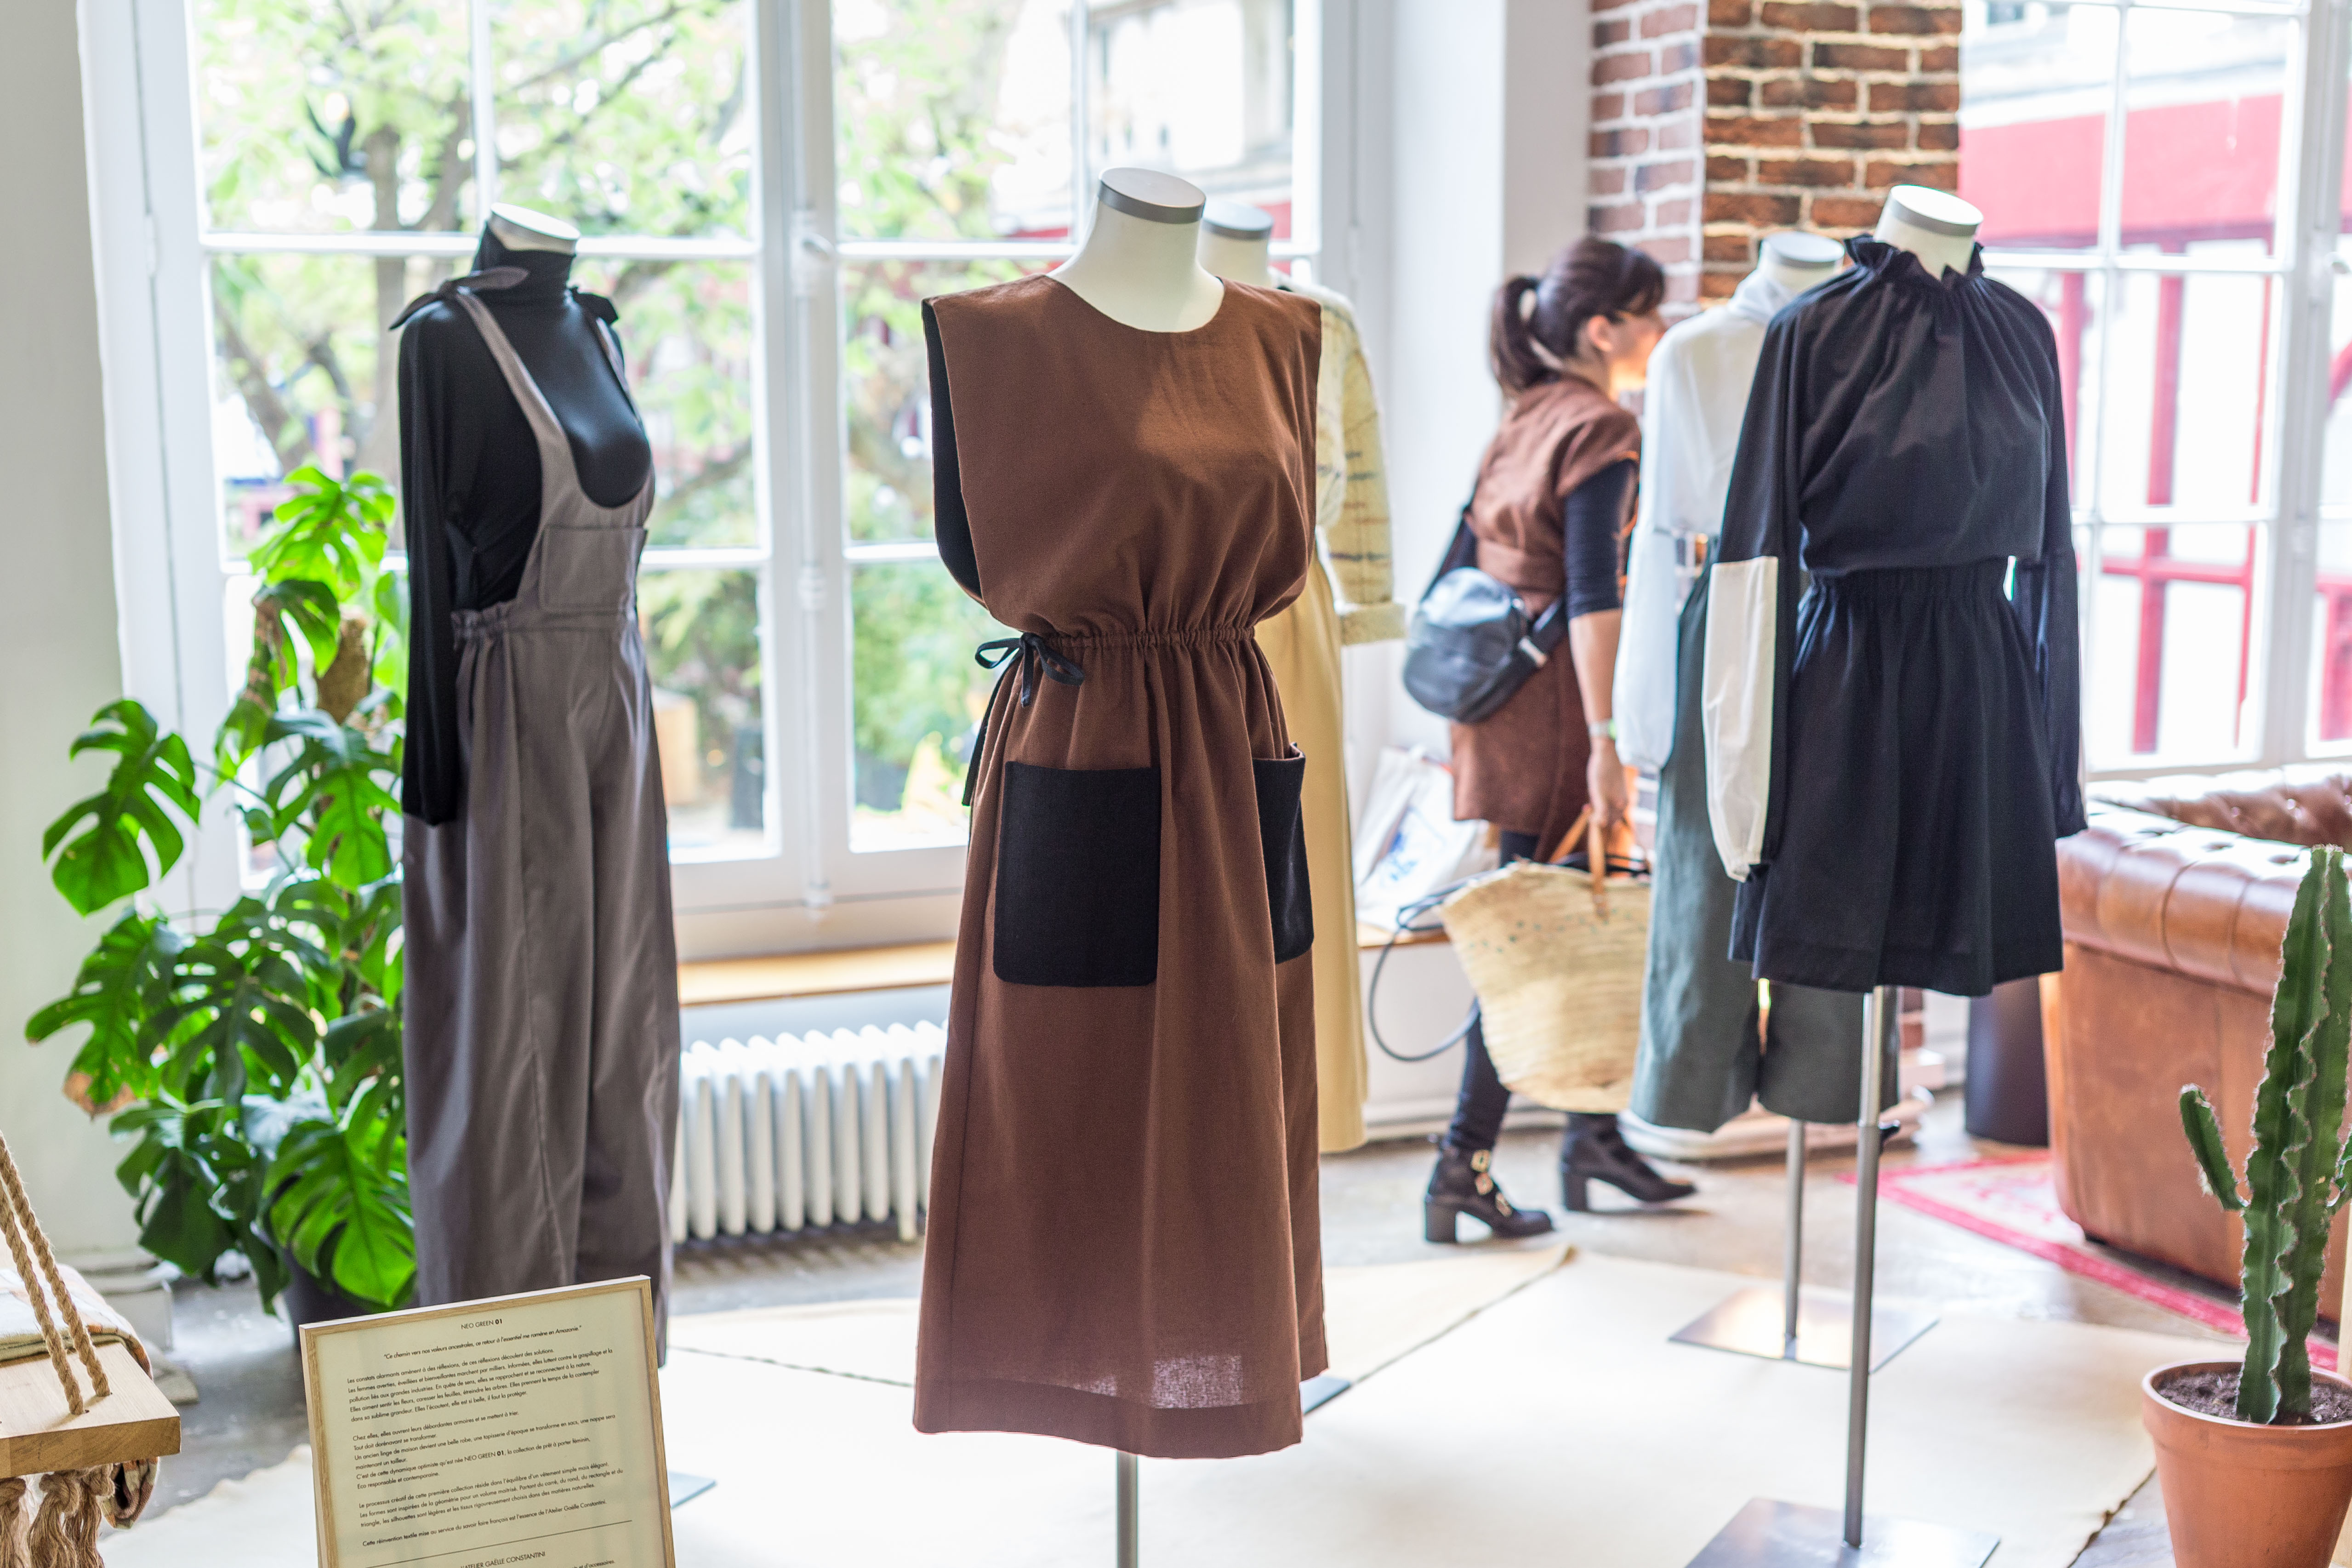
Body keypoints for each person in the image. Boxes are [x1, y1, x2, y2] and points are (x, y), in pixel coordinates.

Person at [1424, 236, 1694, 1243]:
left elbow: (1458, 556)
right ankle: (1461, 1163)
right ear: (1604, 329)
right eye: (1649, 313)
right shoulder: (1600, 426)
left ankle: (1592, 1138)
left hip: (1495, 703)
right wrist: (1605, 742)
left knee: (1573, 907)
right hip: (1551, 716)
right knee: (1533, 936)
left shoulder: (1528, 411)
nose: (1660, 330)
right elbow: (1592, 596)